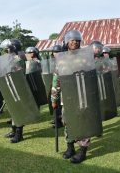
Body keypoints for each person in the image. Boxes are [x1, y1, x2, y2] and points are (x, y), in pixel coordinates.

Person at [54, 30, 103, 163]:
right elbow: (56, 79)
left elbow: (91, 76)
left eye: (77, 40)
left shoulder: (85, 58)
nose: (74, 42)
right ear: (67, 42)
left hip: (83, 95)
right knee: (67, 122)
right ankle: (70, 148)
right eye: (72, 40)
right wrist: (54, 97)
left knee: (83, 121)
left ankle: (82, 150)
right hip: (67, 98)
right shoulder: (62, 59)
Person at [50, 45, 64, 129]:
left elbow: (56, 81)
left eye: (58, 52)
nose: (56, 54)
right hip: (57, 88)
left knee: (59, 106)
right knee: (58, 106)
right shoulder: (55, 62)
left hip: (63, 89)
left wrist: (54, 98)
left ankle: (60, 122)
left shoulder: (61, 63)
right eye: (55, 52)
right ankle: (58, 121)